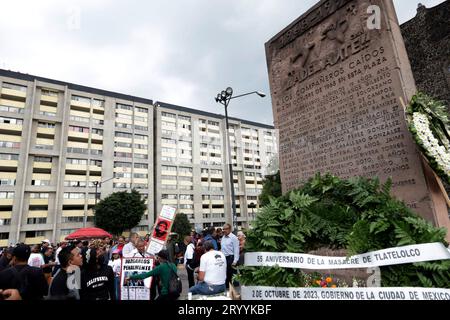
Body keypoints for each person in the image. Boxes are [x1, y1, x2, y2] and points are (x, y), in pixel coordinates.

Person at [221, 223, 239, 288]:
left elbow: (236, 249)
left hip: (231, 258)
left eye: (226, 229)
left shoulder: (233, 238)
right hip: (224, 258)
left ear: (230, 229)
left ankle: (236, 291)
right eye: (223, 229)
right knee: (226, 274)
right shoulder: (223, 237)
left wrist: (235, 261)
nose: (224, 230)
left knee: (233, 275)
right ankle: (228, 289)